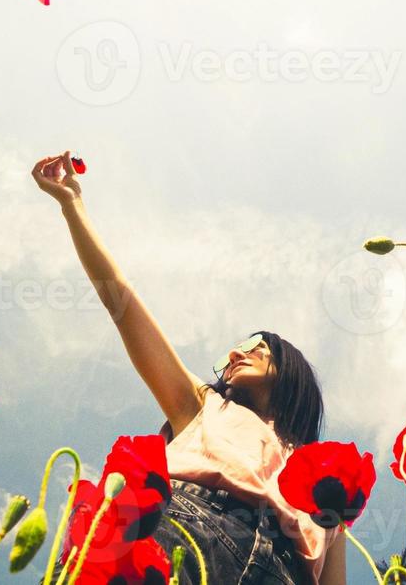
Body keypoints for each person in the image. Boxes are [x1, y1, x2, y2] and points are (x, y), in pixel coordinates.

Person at [31, 151, 348, 585]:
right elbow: (121, 303)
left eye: (255, 348)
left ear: (289, 369)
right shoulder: (203, 406)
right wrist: (72, 205)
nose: (236, 355)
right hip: (184, 526)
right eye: (233, 351)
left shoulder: (332, 483)